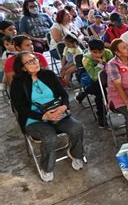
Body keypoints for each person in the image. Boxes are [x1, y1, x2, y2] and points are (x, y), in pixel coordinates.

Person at [10, 51, 84, 182]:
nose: (35, 62)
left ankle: (75, 154)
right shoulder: (17, 84)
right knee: (49, 136)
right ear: (22, 67)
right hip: (33, 119)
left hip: (57, 113)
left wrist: (64, 106)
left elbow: (64, 94)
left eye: (35, 59)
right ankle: (47, 167)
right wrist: (43, 116)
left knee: (76, 127)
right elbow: (21, 109)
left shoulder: (48, 75)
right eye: (30, 62)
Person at [106, 39, 128, 142]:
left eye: (127, 46)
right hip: (119, 99)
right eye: (124, 48)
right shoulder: (112, 65)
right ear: (117, 53)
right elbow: (118, 86)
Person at [77, 40, 113, 127]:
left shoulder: (108, 53)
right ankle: (102, 116)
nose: (97, 55)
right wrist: (100, 65)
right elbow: (94, 77)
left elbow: (114, 67)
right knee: (100, 92)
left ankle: (85, 92)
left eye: (100, 52)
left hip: (108, 78)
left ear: (104, 49)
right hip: (93, 81)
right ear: (89, 50)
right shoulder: (86, 59)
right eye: (94, 52)